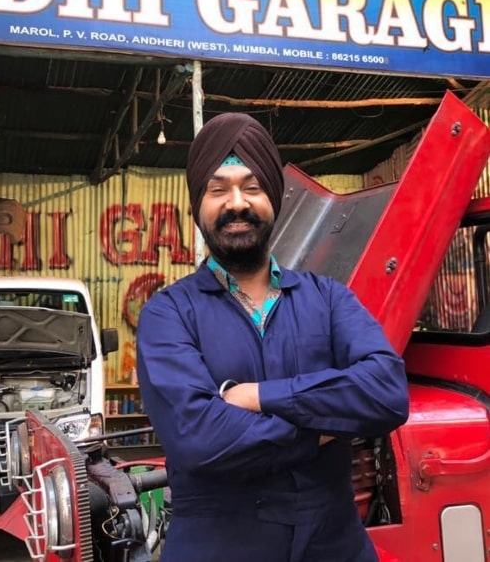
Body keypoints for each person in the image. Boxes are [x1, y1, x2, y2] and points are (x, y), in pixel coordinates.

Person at [136, 112, 409, 562]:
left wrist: (258, 396)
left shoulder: (329, 299)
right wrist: (321, 430)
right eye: (218, 189)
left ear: (274, 199)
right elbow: (199, 438)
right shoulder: (168, 313)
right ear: (197, 206)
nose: (236, 203)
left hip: (334, 546)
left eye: (252, 187)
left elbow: (385, 393)